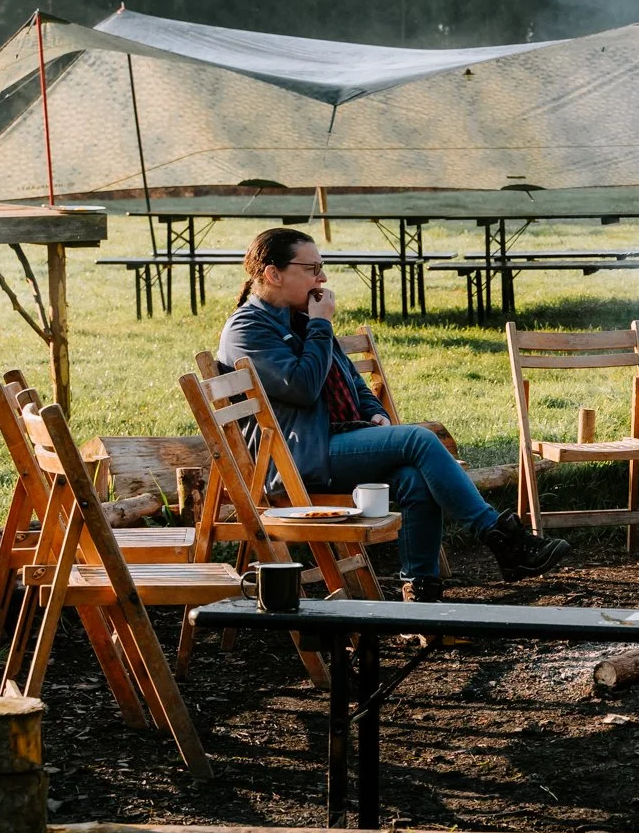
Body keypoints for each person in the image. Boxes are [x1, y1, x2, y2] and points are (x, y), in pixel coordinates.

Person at [217, 228, 571, 600]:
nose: (322, 278)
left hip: (330, 444)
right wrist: (321, 323)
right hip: (293, 461)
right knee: (419, 438)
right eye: (312, 268)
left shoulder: (297, 318)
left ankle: (421, 591)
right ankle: (501, 539)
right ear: (273, 274)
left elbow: (351, 382)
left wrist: (374, 413)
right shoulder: (248, 328)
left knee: (412, 478)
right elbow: (303, 387)